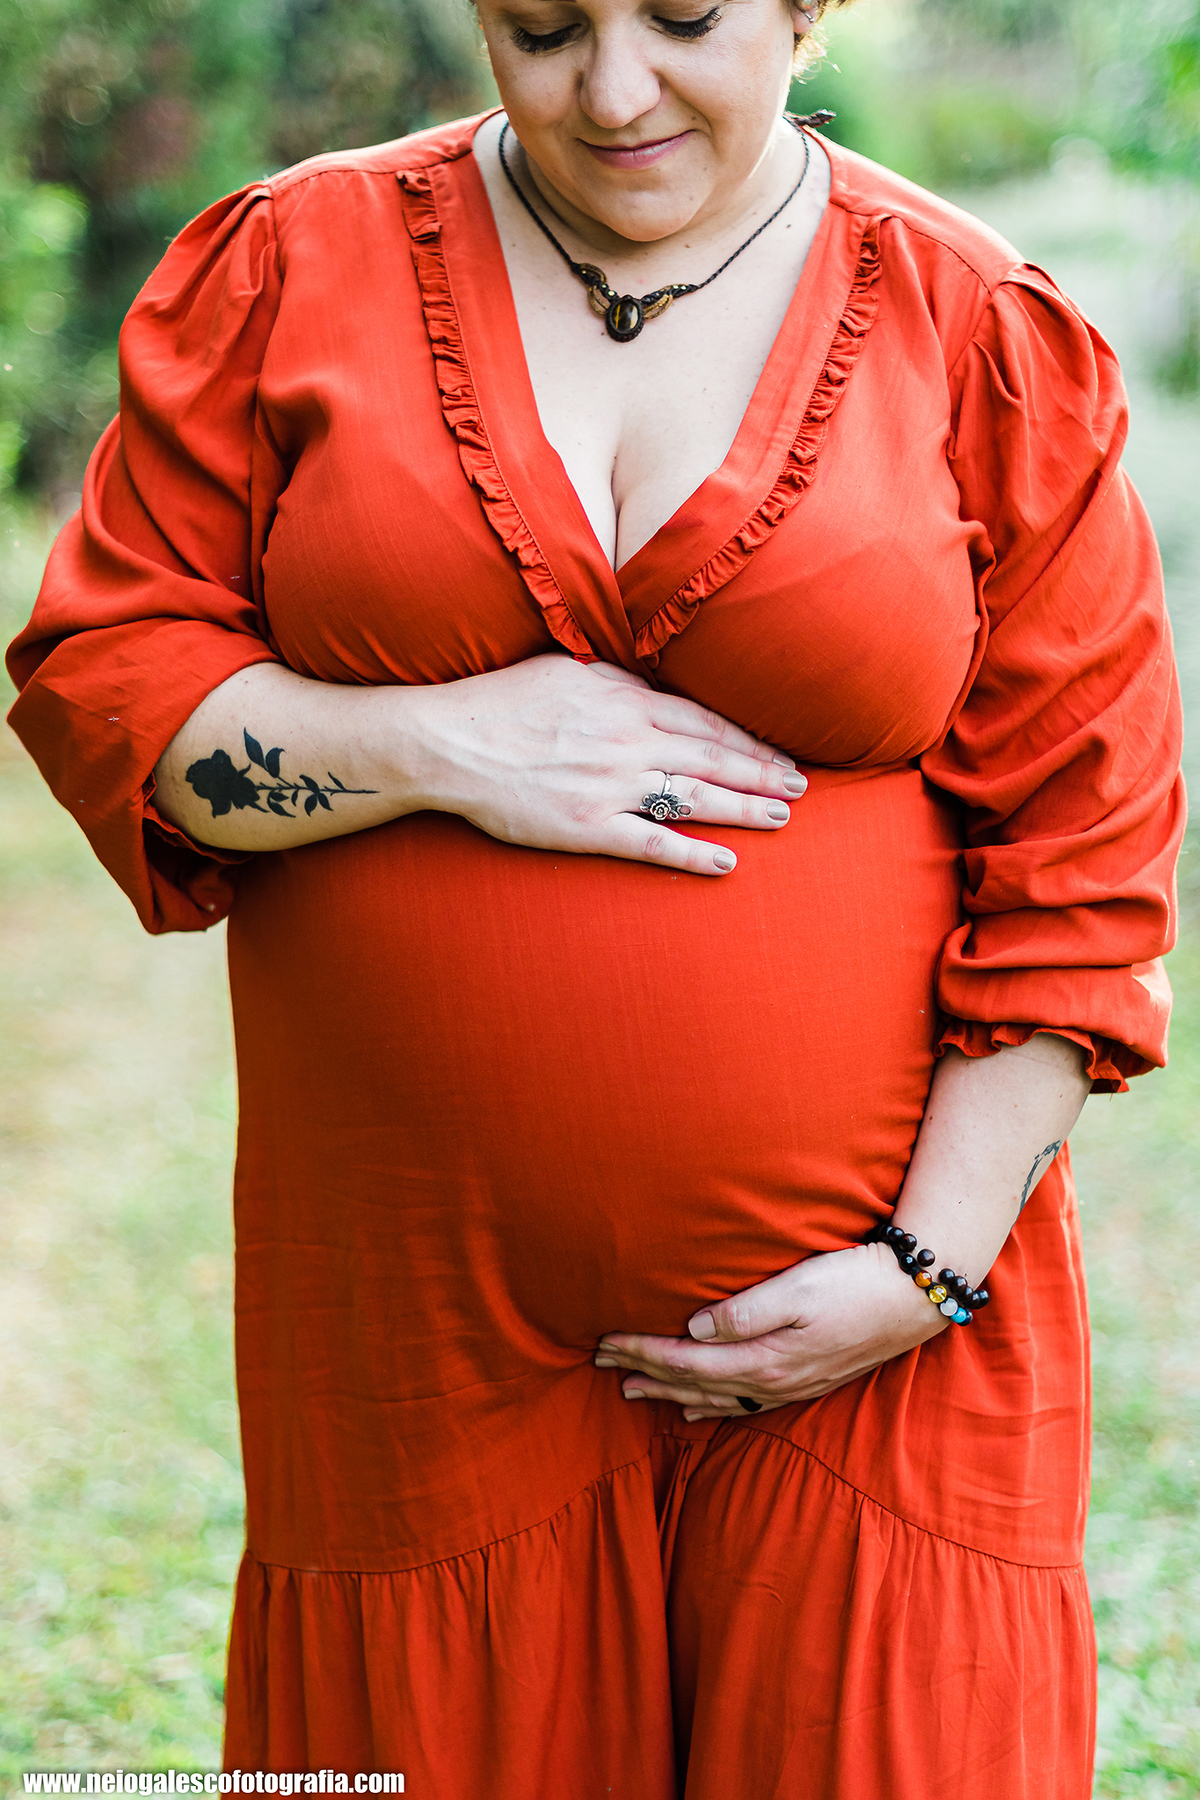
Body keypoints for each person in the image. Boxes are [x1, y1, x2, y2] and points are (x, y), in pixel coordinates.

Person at [7, 0, 1185, 1792]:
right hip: (418, 1343)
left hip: (880, 1356)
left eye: (686, 17)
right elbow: (111, 680)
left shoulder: (980, 330)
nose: (614, 91)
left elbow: (1084, 858)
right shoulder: (289, 271)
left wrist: (925, 1271)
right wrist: (433, 744)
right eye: (544, 28)